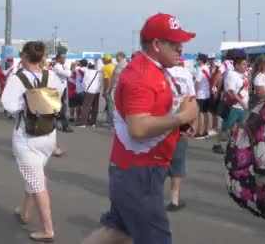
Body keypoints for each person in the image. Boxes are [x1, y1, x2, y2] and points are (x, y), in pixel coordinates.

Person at [82, 13, 198, 244]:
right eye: (174, 43)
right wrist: (181, 117)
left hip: (136, 168)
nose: (180, 48)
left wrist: (177, 125)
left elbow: (147, 118)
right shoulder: (143, 75)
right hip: (139, 171)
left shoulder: (154, 70)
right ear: (156, 45)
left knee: (118, 232)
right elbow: (138, 127)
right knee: (156, 238)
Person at [2, 41, 59, 242]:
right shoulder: (51, 75)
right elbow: (59, 99)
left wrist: (26, 103)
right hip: (49, 135)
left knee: (37, 182)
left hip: (27, 136)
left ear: (25, 56)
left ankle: (48, 229)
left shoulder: (17, 79)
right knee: (35, 174)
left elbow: (8, 105)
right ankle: (25, 212)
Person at [166, 56, 196, 211]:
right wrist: (192, 123)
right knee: (177, 163)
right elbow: (191, 100)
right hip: (180, 122)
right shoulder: (186, 74)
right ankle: (174, 200)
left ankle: (152, 199)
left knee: (156, 162)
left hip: (160, 123)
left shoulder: (159, 72)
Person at [52, 52, 73, 133]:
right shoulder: (57, 67)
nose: (64, 59)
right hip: (58, 90)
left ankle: (55, 124)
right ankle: (65, 126)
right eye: (62, 58)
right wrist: (72, 68)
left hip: (62, 89)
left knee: (59, 108)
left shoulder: (62, 66)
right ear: (58, 59)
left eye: (65, 58)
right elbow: (68, 74)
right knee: (61, 108)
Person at [79, 62, 101, 128]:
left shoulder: (87, 72)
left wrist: (84, 89)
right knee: (95, 107)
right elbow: (100, 82)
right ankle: (93, 122)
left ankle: (83, 123)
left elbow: (84, 82)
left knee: (86, 107)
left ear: (88, 66)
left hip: (89, 91)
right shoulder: (98, 72)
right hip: (97, 90)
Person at [194, 53, 211, 138]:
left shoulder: (200, 70)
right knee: (205, 113)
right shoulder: (207, 68)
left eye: (198, 59)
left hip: (200, 94)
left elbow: (197, 83)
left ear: (201, 60)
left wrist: (194, 93)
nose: (197, 60)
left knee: (199, 114)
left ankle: (198, 132)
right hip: (207, 94)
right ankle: (205, 131)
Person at [102, 54, 116, 129]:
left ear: (107, 60)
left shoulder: (105, 67)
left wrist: (105, 90)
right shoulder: (114, 66)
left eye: (103, 59)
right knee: (110, 105)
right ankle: (108, 120)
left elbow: (106, 80)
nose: (102, 60)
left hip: (109, 88)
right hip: (115, 87)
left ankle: (111, 122)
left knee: (110, 105)